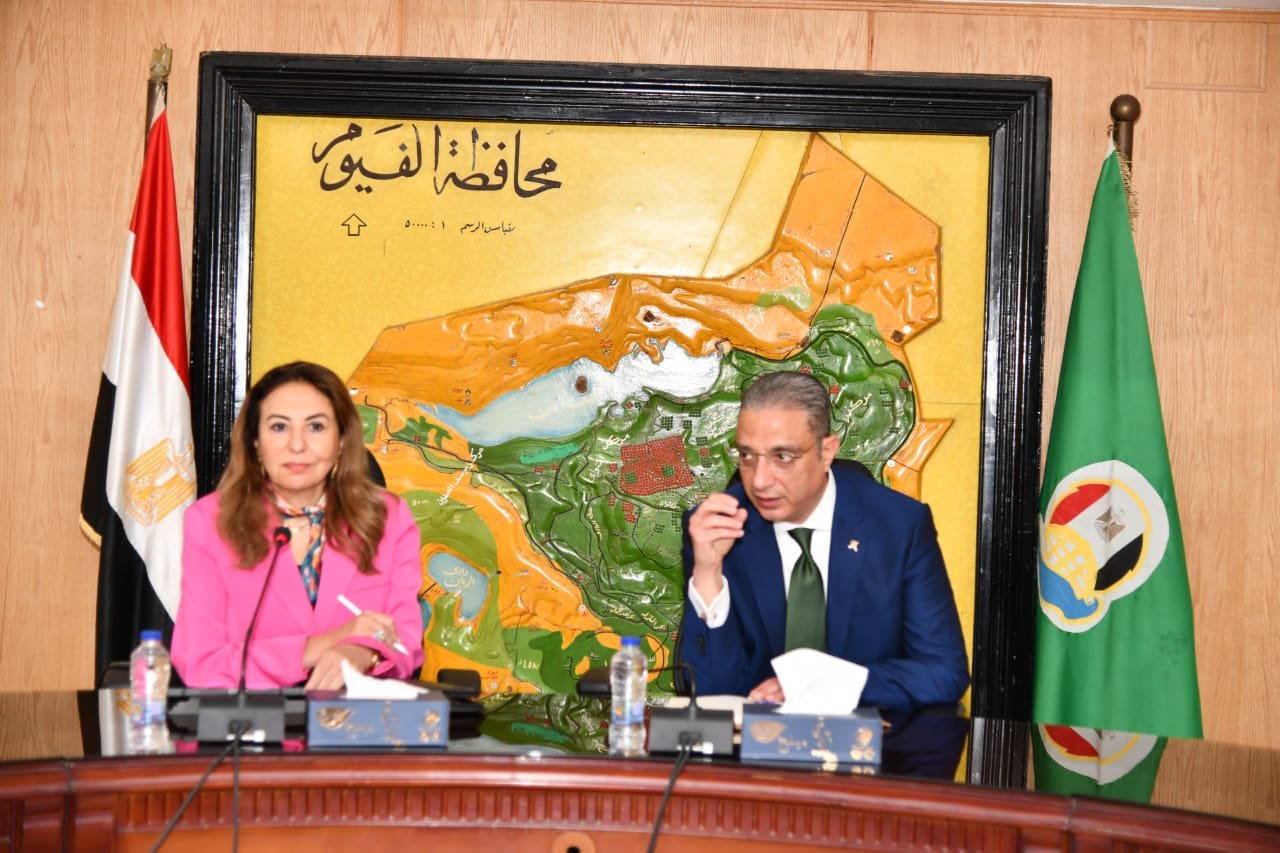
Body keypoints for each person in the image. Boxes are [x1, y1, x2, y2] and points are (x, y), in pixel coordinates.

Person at [680, 371, 969, 711]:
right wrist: (708, 571)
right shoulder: (718, 529)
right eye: (747, 456)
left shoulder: (898, 526)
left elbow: (944, 672)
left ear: (827, 451)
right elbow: (707, 691)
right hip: (756, 739)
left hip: (870, 738)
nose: (759, 480)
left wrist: (827, 684)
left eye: (782, 457)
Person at [172, 361, 424, 690]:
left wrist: (364, 653)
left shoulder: (389, 519)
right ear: (254, 442)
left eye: (316, 427)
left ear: (342, 440)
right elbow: (200, 663)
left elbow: (406, 646)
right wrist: (326, 644)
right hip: (252, 718)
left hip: (356, 717)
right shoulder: (210, 522)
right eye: (279, 427)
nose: (297, 445)